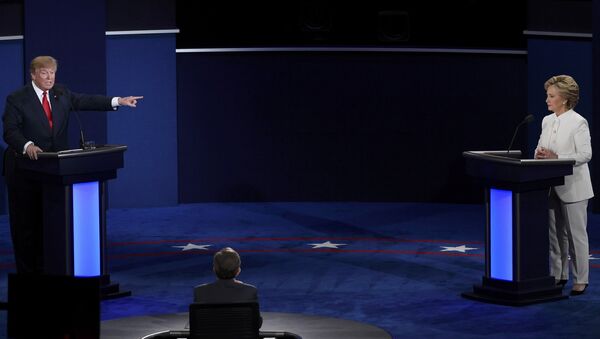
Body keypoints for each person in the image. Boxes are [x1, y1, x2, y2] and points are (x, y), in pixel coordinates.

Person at [2, 55, 143, 274]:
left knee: (50, 225)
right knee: (26, 227)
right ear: (33, 74)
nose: (50, 77)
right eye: (44, 73)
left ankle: (53, 272)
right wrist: (27, 144)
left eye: (53, 73)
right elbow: (10, 131)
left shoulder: (61, 93)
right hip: (24, 172)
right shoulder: (17, 98)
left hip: (54, 172)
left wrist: (117, 101)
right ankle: (29, 277)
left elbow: (86, 101)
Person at [534, 75, 593, 296]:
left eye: (551, 96)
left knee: (575, 234)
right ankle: (559, 274)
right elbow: (540, 147)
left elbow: (585, 155)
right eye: (547, 96)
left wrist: (557, 157)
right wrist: (539, 154)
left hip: (574, 187)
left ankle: (581, 279)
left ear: (565, 99)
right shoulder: (547, 121)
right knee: (555, 234)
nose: (547, 100)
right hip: (550, 185)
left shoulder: (578, 122)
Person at [194, 247, 259, 304]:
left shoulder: (200, 292)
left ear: (215, 270)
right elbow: (254, 317)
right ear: (238, 271)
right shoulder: (250, 291)